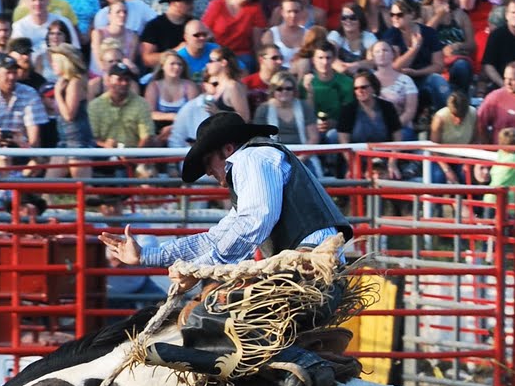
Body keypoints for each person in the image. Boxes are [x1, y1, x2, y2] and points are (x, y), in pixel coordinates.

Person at [104, 109, 349, 270]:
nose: (208, 172)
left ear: (228, 150)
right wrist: (147, 255)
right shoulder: (257, 164)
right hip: (309, 260)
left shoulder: (250, 159)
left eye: (208, 162)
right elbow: (217, 237)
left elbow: (255, 220)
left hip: (309, 260)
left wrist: (200, 269)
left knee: (222, 316)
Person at [88, 61, 154, 149]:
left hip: (133, 152)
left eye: (127, 79)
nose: (124, 83)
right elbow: (92, 137)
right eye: (119, 79)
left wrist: (134, 154)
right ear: (108, 80)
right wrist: (106, 146)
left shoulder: (141, 104)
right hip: (103, 153)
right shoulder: (95, 106)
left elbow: (146, 136)